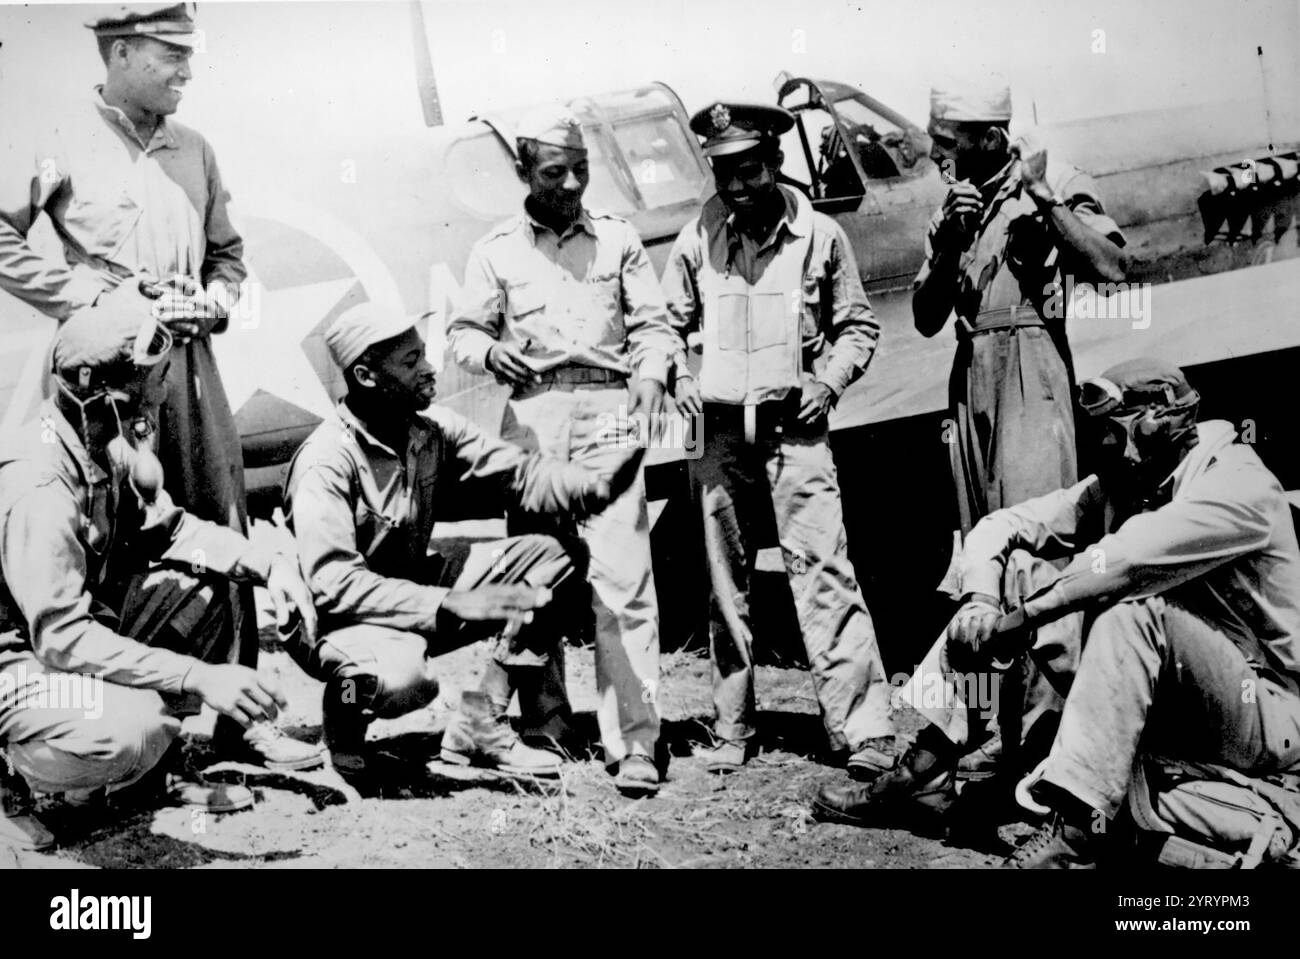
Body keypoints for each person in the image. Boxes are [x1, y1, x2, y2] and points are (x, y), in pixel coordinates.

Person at [813, 358, 1300, 869]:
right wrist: (981, 601)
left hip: (1264, 712)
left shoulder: (1237, 484)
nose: (1105, 446)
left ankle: (1075, 838)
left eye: (1113, 431)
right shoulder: (1133, 479)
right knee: (1015, 569)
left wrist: (1018, 622)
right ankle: (928, 766)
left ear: (1156, 419)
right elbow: (1003, 525)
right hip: (1180, 694)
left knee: (1132, 613)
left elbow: (1125, 562)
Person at [0, 3, 309, 770]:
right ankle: (103, 711)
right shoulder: (55, 138)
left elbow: (230, 257)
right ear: (124, 50)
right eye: (171, 55)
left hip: (190, 371)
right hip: (101, 369)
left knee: (210, 510)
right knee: (89, 524)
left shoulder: (195, 150)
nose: (187, 71)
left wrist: (216, 298)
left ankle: (243, 719)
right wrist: (89, 300)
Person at [0, 286, 319, 851]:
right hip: (17, 662)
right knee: (131, 728)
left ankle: (143, 783)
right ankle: (11, 786)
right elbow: (61, 638)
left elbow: (175, 532)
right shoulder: (40, 484)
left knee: (211, 584)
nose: (163, 392)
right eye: (150, 381)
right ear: (98, 393)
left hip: (61, 640)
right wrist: (198, 676)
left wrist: (270, 564)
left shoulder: (106, 448)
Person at [285, 304, 647, 783]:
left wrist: (590, 487)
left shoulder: (429, 430)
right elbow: (334, 586)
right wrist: (453, 601)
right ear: (367, 376)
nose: (429, 370)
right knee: (402, 679)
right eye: (411, 362)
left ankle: (481, 721)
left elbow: (518, 474)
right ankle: (344, 718)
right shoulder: (325, 461)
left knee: (553, 558)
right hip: (339, 623)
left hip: (414, 592)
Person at [447, 104, 681, 795]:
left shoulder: (617, 241)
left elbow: (655, 327)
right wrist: (490, 350)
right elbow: (462, 332)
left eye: (582, 169)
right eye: (556, 172)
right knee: (539, 575)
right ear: (524, 172)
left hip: (611, 411)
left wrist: (648, 377)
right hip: (536, 418)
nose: (574, 184)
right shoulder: (494, 250)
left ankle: (636, 740)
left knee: (623, 579)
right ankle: (545, 721)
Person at [660, 102, 896, 775]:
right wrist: (677, 376)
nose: (735, 188)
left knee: (825, 570)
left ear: (776, 163)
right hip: (718, 435)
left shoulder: (820, 237)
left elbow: (858, 326)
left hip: (796, 429)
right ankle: (731, 729)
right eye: (723, 174)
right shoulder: (695, 239)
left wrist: (828, 383)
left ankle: (863, 730)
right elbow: (664, 327)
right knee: (723, 585)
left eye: (749, 171)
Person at [912, 74, 1128, 785]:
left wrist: (1044, 201)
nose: (943, 155)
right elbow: (925, 317)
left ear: (992, 136)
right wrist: (946, 244)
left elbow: (1113, 267)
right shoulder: (954, 205)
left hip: (1033, 371)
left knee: (1037, 562)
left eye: (955, 142)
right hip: (970, 375)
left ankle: (1045, 756)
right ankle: (982, 742)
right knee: (981, 566)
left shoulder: (1055, 178)